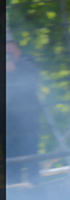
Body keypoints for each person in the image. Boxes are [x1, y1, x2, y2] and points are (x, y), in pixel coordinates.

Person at [5, 29, 42, 185]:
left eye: (10, 51)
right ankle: (15, 194)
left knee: (31, 158)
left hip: (28, 123)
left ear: (17, 50)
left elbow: (30, 85)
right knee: (12, 162)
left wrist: (14, 71)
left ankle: (36, 189)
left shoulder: (27, 64)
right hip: (9, 125)